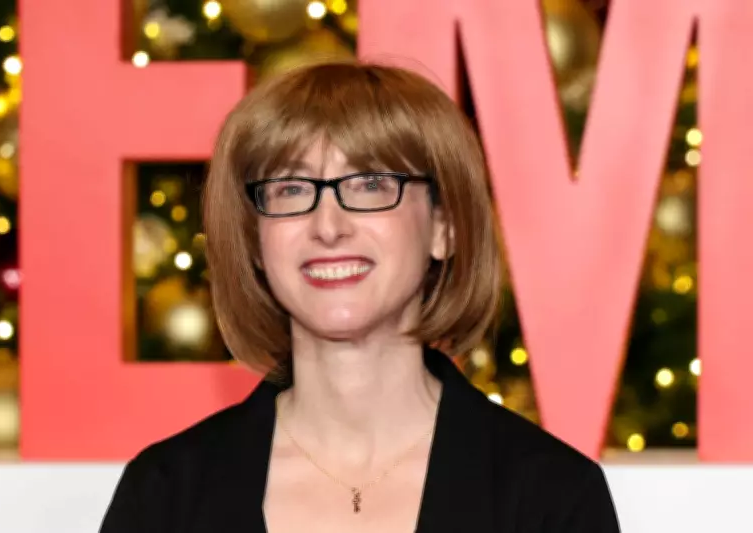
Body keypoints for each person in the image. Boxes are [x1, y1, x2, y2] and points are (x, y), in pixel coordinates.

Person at [99, 61, 620, 533]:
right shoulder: (166, 495)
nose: (328, 226)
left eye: (370, 184)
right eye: (292, 189)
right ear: (256, 240)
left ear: (444, 227)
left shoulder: (552, 497)